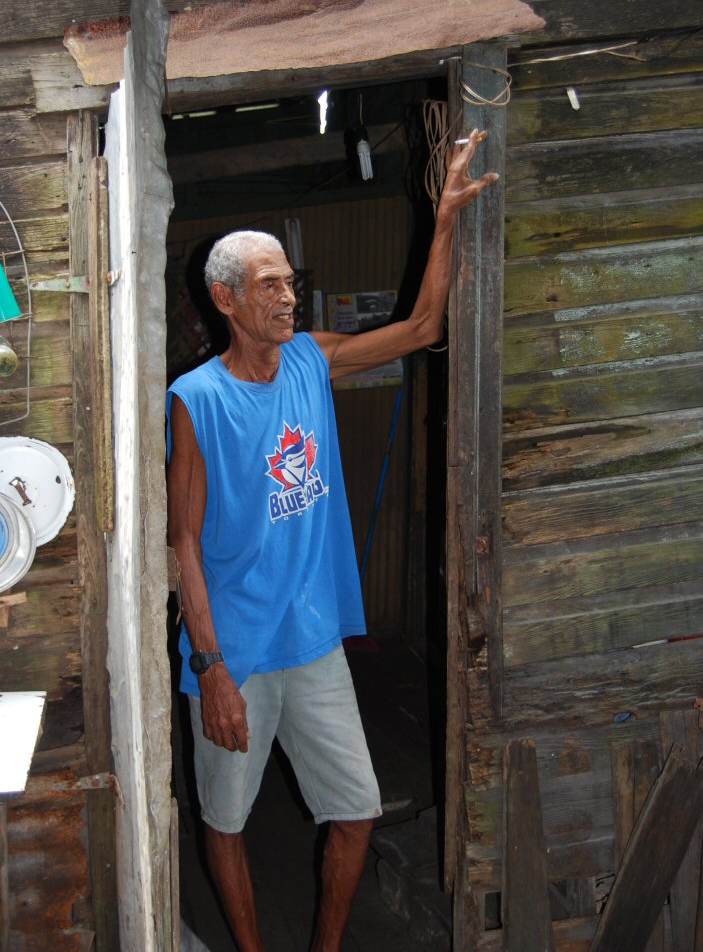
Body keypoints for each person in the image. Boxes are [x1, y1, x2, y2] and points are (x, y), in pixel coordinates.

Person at [166, 129, 498, 952]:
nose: (288, 295)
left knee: (351, 810)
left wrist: (445, 215)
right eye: (268, 284)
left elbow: (422, 325)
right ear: (226, 300)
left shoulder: (313, 359)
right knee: (227, 820)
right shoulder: (194, 400)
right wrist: (209, 668)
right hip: (235, 651)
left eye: (289, 280)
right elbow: (182, 541)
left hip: (312, 642)